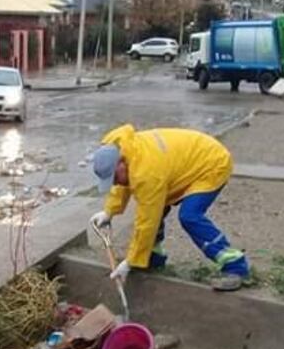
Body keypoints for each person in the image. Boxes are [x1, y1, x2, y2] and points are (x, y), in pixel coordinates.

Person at [90, 123, 249, 291]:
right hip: (184, 162)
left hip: (211, 164)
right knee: (156, 207)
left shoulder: (146, 173)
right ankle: (153, 257)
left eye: (114, 178)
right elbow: (123, 184)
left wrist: (130, 261)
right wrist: (109, 211)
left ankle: (235, 266)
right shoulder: (123, 150)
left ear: (121, 163)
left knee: (190, 216)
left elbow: (147, 222)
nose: (115, 183)